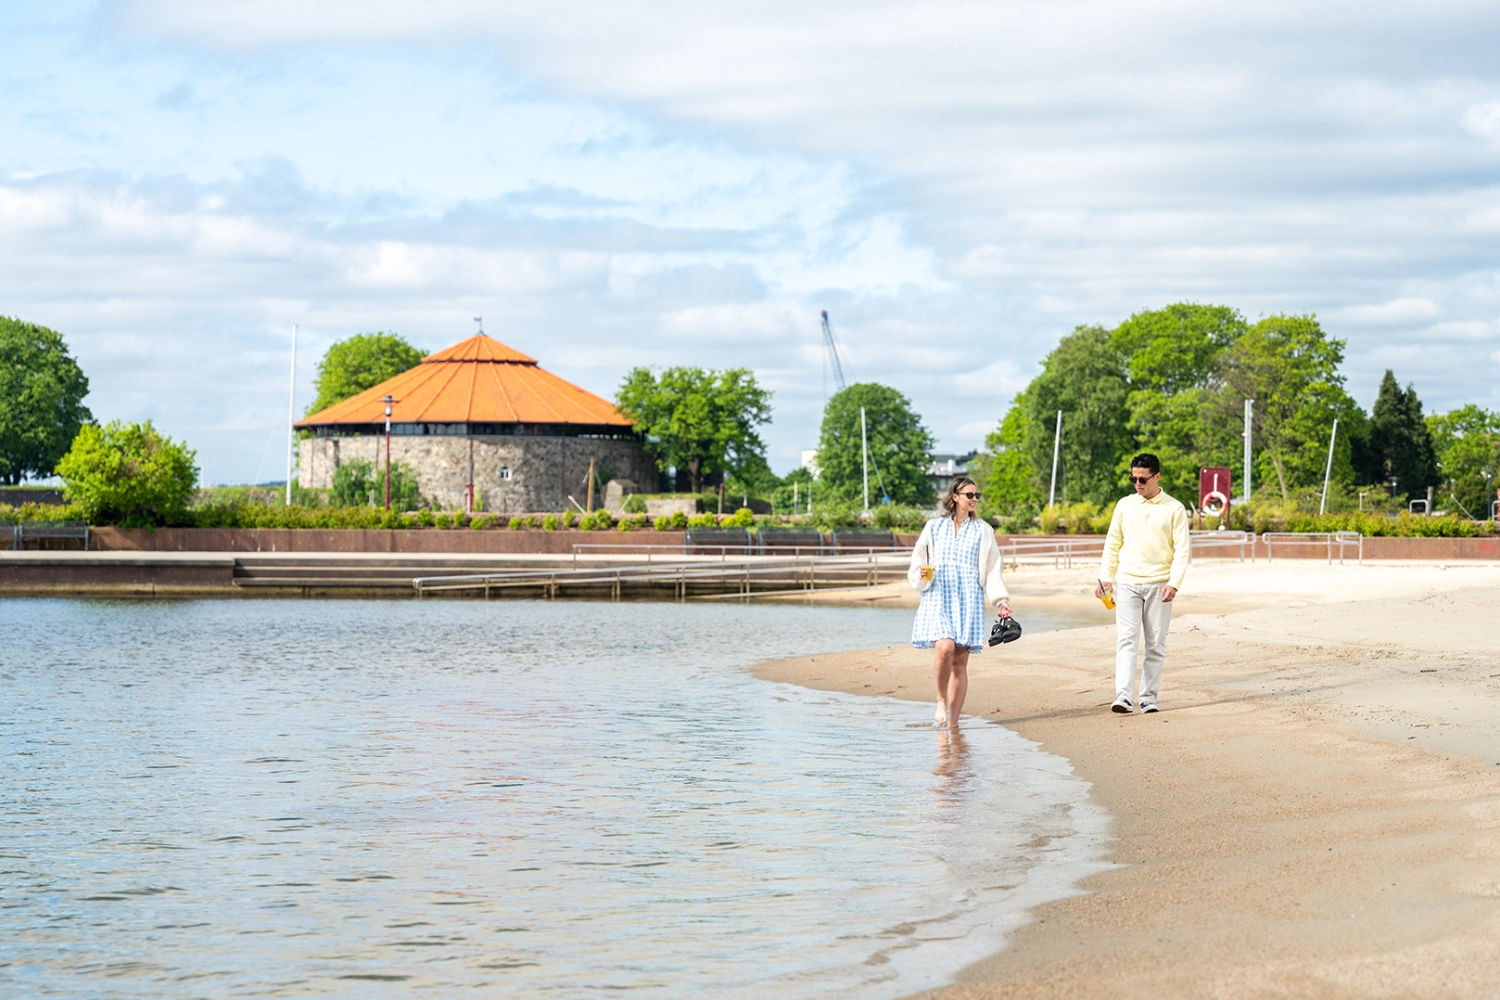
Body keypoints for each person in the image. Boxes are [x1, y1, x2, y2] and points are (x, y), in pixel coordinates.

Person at [908, 477, 1012, 727]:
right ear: (955, 497)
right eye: (970, 494)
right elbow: (918, 559)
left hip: (969, 597)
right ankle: (941, 700)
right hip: (938, 595)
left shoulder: (984, 530)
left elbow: (992, 568)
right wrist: (920, 572)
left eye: (977, 495)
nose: (975, 498)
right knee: (944, 648)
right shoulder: (933, 527)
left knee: (959, 662)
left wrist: (1001, 600)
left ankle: (952, 723)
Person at [1094, 453, 1190, 714]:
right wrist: (1105, 578)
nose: (1137, 483)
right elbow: (1112, 544)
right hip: (1127, 582)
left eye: (1142, 479)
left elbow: (1182, 550)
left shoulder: (1175, 508)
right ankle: (1123, 697)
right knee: (1126, 640)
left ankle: (1148, 698)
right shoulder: (1124, 505)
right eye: (1133, 478)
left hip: (1160, 584)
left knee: (1156, 643)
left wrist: (1175, 582)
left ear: (1156, 477)